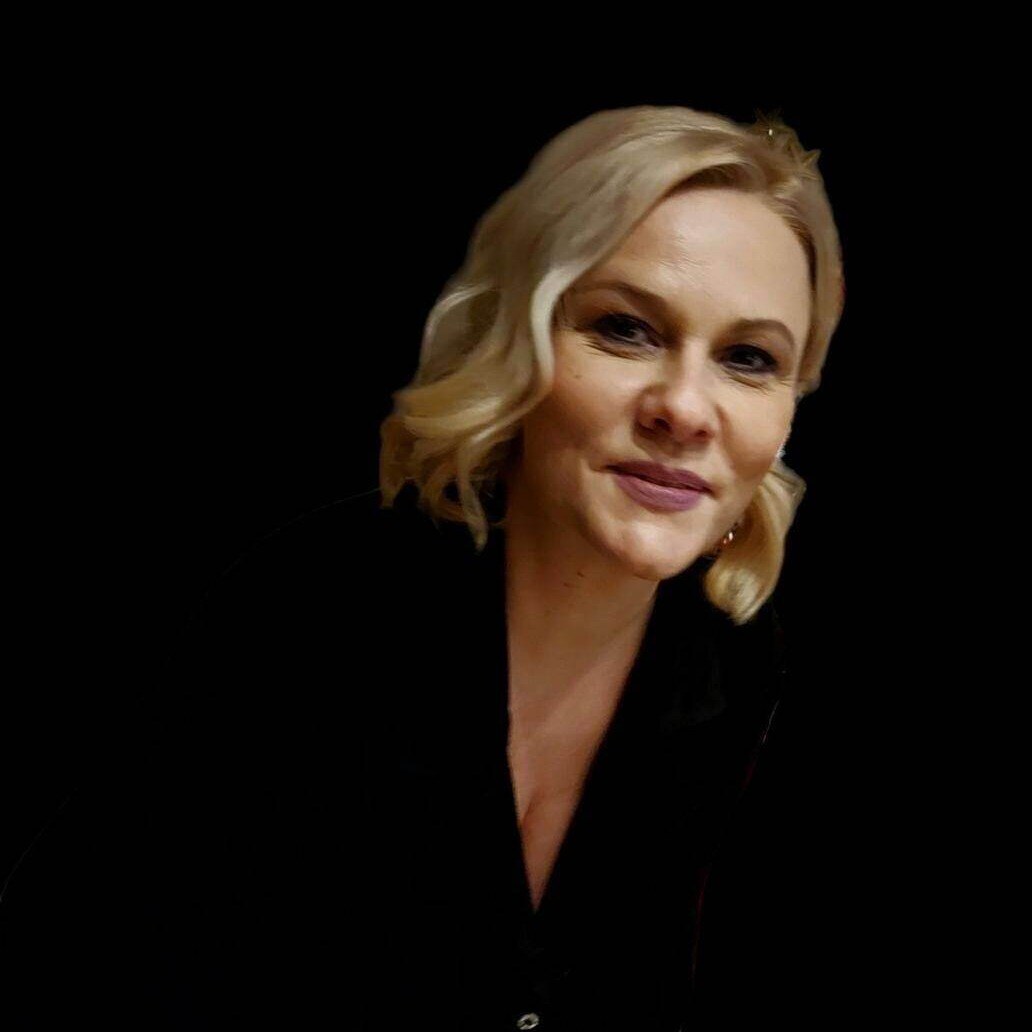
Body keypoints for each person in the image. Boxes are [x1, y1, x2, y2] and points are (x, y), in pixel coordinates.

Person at [1, 104, 844, 1030]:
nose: (684, 408)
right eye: (625, 329)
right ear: (519, 343)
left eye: (748, 358)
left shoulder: (734, 666)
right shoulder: (312, 613)